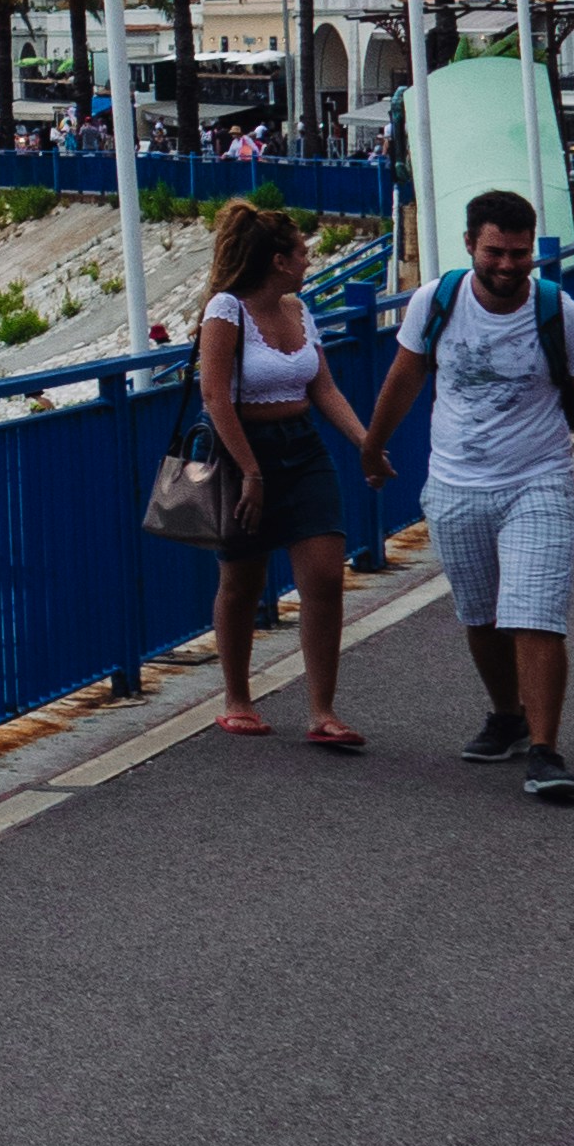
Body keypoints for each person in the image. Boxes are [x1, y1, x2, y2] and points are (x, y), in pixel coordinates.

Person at [362, 186, 574, 805]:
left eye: (520, 254)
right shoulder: (437, 301)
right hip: (455, 484)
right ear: (470, 245)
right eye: (495, 252)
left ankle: (547, 751)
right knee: (481, 617)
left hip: (539, 481)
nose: (507, 266)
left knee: (535, 615)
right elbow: (405, 377)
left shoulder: (561, 314)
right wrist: (373, 445)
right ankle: (508, 714)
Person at [194, 204, 372, 748]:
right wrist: (251, 472)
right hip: (242, 452)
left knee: (323, 575)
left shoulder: (298, 308)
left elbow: (323, 387)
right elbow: (215, 398)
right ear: (278, 260)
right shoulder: (226, 311)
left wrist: (367, 444)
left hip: (304, 450)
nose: (308, 257)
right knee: (243, 580)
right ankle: (237, 698)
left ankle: (323, 710)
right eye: (301, 251)